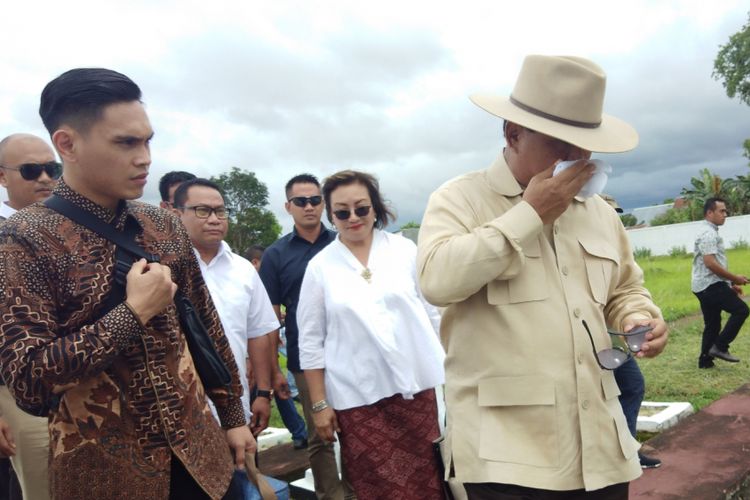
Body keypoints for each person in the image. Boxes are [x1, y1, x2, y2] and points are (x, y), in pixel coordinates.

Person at [417, 55, 668, 499]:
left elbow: (625, 288)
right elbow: (437, 280)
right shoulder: (460, 200)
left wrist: (637, 317)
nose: (578, 160)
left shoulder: (599, 214)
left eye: (586, 146)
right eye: (561, 145)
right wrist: (529, 214)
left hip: (600, 445)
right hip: (508, 458)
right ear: (513, 134)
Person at [0, 68, 254, 500]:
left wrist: (233, 417)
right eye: (125, 143)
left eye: (147, 140)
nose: (145, 158)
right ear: (68, 144)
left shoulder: (162, 225)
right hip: (102, 475)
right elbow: (28, 381)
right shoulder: (23, 239)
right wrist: (132, 314)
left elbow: (206, 330)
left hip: (202, 459)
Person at [298, 169, 446, 500]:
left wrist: (453, 366)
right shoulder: (320, 268)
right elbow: (309, 341)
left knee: (430, 480)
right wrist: (320, 404)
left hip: (415, 390)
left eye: (361, 208)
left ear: (375, 208)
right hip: (358, 400)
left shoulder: (405, 251)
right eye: (342, 212)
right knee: (377, 487)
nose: (353, 218)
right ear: (330, 214)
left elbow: (432, 312)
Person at [258, 173, 352, 500]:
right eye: (301, 201)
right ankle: (331, 496)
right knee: (320, 435)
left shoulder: (344, 242)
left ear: (323, 204)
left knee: (358, 430)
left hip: (352, 352)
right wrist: (273, 369)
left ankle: (358, 492)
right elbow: (268, 318)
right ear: (288, 206)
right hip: (306, 356)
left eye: (315, 200)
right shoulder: (276, 255)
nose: (309, 207)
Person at [173, 178, 277, 434]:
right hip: (179, 410)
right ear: (176, 214)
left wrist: (262, 392)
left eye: (220, 211)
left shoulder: (243, 270)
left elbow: (258, 333)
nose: (214, 219)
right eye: (202, 211)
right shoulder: (164, 268)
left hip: (237, 403)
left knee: (243, 469)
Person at [0, 133, 61, 500]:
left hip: (83, 388)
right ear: (2, 176)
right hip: (19, 394)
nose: (44, 178)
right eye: (30, 170)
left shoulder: (68, 229)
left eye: (51, 168)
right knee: (44, 488)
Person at [599, 194, 661, 470]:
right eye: (608, 212)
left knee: (630, 386)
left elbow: (627, 289)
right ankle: (622, 451)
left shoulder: (613, 246)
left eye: (616, 213)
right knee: (627, 387)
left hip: (617, 340)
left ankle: (626, 449)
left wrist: (638, 315)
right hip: (596, 344)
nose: (614, 218)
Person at [246, 245, 308, 449]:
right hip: (250, 352)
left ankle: (298, 431)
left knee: (276, 389)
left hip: (263, 347)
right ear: (255, 262)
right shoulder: (245, 280)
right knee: (264, 393)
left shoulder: (255, 282)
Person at [692, 197, 749, 368]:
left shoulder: (709, 231)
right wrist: (734, 278)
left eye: (725, 211)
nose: (726, 214)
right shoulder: (709, 233)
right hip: (710, 285)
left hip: (703, 286)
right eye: (721, 211)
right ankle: (720, 347)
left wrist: (730, 284)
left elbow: (714, 263)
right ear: (710, 213)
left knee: (713, 323)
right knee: (741, 310)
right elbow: (710, 263)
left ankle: (705, 361)